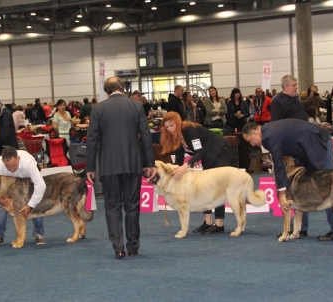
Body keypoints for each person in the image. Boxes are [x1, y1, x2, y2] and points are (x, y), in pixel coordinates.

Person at [86, 76, 156, 259]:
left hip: (109, 166)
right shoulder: (136, 106)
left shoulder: (98, 109)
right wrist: (150, 164)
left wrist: (90, 167)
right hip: (133, 164)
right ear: (123, 89)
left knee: (112, 206)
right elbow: (146, 136)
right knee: (132, 206)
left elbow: (92, 139)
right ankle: (133, 247)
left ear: (107, 92)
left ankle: (118, 247)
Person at [242, 119, 333, 241]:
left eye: (250, 141)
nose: (252, 144)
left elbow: (278, 164)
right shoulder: (269, 131)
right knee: (301, 188)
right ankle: (300, 229)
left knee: (326, 185)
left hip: (318, 143)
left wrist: (281, 193)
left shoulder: (269, 136)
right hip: (305, 149)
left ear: (254, 133)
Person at [160, 111, 232, 234]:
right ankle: (207, 222)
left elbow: (200, 152)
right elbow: (178, 160)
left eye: (172, 126)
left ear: (178, 123)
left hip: (220, 151)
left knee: (218, 187)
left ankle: (219, 224)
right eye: (167, 127)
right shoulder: (176, 136)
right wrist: (172, 174)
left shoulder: (189, 130)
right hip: (208, 156)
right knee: (206, 188)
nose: (170, 129)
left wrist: (185, 167)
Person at [0, 147, 46, 247]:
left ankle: (38, 233)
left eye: (14, 166)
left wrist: (30, 205)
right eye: (8, 167)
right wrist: (1, 201)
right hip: (8, 186)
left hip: (28, 181)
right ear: (3, 161)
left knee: (35, 203)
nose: (12, 169)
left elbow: (40, 185)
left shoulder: (28, 163)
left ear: (18, 158)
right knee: (1, 208)